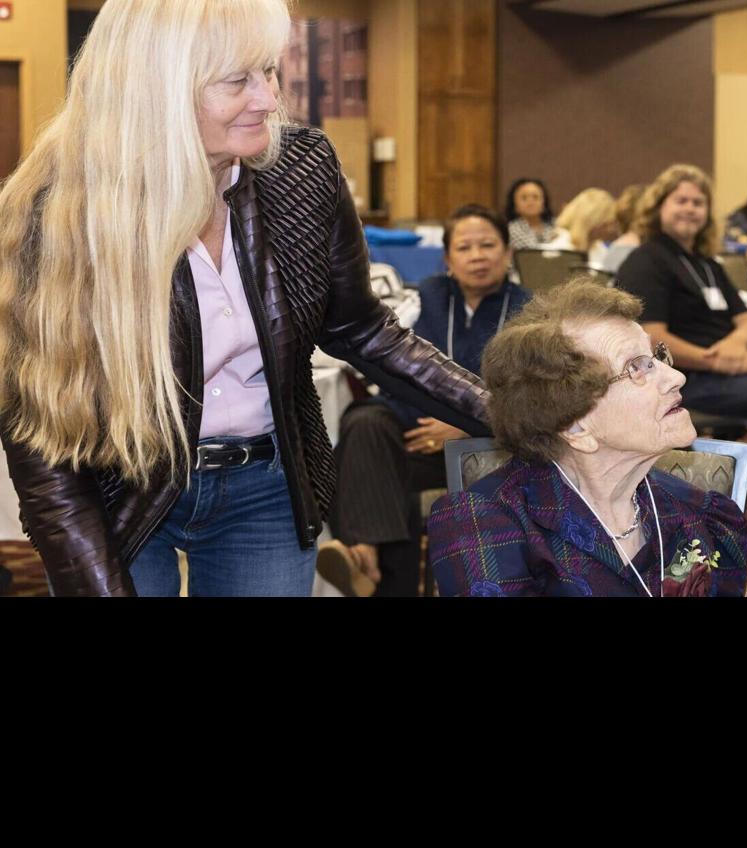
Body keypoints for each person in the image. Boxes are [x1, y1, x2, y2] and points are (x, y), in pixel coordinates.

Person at [0, 0, 491, 596]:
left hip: (267, 484)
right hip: (117, 484)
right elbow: (43, 445)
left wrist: (518, 417)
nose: (268, 99)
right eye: (238, 80)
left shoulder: (302, 170)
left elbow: (362, 329)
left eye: (270, 71)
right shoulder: (54, 213)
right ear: (155, 89)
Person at [427, 276, 747, 597]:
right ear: (576, 428)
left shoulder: (700, 512)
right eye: (637, 367)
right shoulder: (486, 523)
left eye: (656, 357)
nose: (676, 377)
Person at [318, 204, 532, 597]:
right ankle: (366, 551)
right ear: (448, 258)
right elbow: (393, 372)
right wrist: (429, 424)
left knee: (384, 482)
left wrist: (460, 423)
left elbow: (535, 394)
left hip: (490, 448)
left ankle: (367, 563)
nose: (478, 256)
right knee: (365, 425)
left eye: (488, 245)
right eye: (465, 247)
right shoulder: (424, 297)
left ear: (507, 253)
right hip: (420, 440)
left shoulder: (530, 312)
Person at [612, 164, 747, 425]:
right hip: (689, 381)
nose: (689, 208)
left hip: (732, 368)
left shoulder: (708, 264)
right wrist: (716, 362)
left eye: (698, 202)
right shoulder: (645, 262)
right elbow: (651, 340)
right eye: (681, 200)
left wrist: (733, 346)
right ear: (658, 207)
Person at [504, 177, 569, 250]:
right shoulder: (511, 230)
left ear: (544, 203)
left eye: (536, 197)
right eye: (524, 198)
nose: (530, 202)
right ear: (514, 205)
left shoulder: (555, 225)